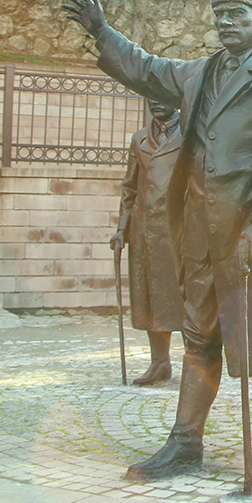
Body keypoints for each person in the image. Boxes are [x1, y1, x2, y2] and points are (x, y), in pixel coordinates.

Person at [64, 0, 252, 481]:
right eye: (219, 14)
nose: (225, 23)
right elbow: (143, 68)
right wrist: (102, 31)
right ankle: (185, 443)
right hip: (202, 236)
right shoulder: (197, 73)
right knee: (200, 337)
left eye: (236, 14)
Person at [111, 98, 184, 386]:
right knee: (149, 297)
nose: (155, 101)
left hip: (178, 231)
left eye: (161, 94)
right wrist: (122, 229)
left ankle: (197, 362)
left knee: (186, 298)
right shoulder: (139, 138)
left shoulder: (191, 135)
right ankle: (160, 363)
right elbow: (129, 186)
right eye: (150, 96)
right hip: (144, 231)